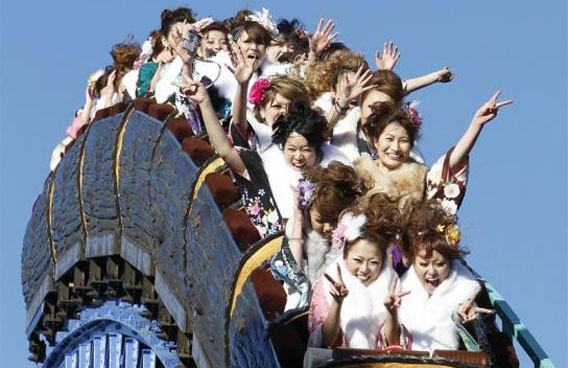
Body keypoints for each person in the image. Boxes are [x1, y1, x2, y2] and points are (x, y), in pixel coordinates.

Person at [355, 91, 513, 215]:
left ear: (411, 146)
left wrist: (476, 124)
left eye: (403, 141)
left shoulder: (420, 178)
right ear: (376, 141)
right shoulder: (358, 175)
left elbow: (451, 164)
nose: (395, 147)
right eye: (389, 139)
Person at [381, 200, 494, 352]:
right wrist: (391, 312)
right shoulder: (403, 288)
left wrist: (469, 324)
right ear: (414, 263)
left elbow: (488, 349)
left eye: (440, 264)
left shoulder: (470, 290)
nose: (432, 272)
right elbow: (392, 343)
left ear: (450, 262)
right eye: (423, 264)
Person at [270, 161, 369, 310]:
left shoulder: (351, 234)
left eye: (334, 220)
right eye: (320, 220)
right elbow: (295, 273)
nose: (328, 227)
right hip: (300, 298)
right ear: (308, 211)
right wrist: (297, 220)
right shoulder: (301, 225)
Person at [307, 193, 401, 348]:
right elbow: (324, 343)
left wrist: (391, 311)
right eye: (358, 260)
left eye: (373, 262)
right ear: (345, 255)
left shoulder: (393, 287)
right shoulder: (325, 284)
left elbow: (394, 344)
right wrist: (337, 302)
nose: (364, 269)